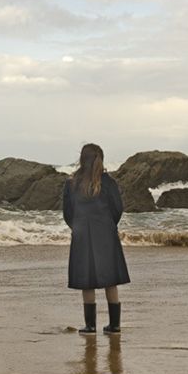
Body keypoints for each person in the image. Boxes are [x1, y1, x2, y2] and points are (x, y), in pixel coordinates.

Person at [63, 143, 130, 335]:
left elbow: (68, 213)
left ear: (82, 159)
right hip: (106, 233)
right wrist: (108, 226)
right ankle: (114, 326)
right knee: (111, 279)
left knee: (87, 280)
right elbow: (117, 209)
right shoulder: (108, 182)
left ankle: (90, 326)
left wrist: (77, 228)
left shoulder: (72, 183)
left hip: (82, 234)